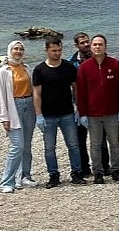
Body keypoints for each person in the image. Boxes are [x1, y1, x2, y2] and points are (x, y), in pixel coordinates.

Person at [32, 37, 86, 188]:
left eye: (59, 50)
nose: (57, 53)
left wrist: (78, 108)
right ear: (47, 50)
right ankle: (53, 175)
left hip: (67, 113)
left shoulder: (68, 67)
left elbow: (75, 88)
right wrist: (38, 115)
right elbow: (37, 93)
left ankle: (77, 173)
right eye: (54, 50)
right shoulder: (39, 69)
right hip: (48, 115)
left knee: (73, 145)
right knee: (49, 147)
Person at [76, 34, 119, 184]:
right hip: (92, 114)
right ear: (91, 47)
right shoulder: (84, 67)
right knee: (95, 145)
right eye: (95, 44)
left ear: (105, 47)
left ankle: (115, 170)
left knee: (115, 143)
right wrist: (82, 113)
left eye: (100, 44)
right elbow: (81, 92)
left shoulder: (115, 64)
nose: (97, 47)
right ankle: (98, 172)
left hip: (112, 113)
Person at [0, 41, 38, 193]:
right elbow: (0, 96)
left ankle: (25, 176)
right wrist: (4, 118)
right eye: (16, 49)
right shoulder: (4, 71)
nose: (18, 52)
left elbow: (33, 89)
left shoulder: (26, 68)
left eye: (21, 49)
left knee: (26, 145)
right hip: (14, 107)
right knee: (17, 146)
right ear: (10, 51)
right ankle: (7, 181)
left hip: (29, 105)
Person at [68, 31, 108, 177]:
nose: (86, 45)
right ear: (76, 45)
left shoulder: (99, 59)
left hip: (97, 106)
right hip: (78, 106)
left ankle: (105, 166)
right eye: (82, 42)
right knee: (80, 140)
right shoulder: (71, 63)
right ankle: (84, 168)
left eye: (87, 42)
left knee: (101, 140)